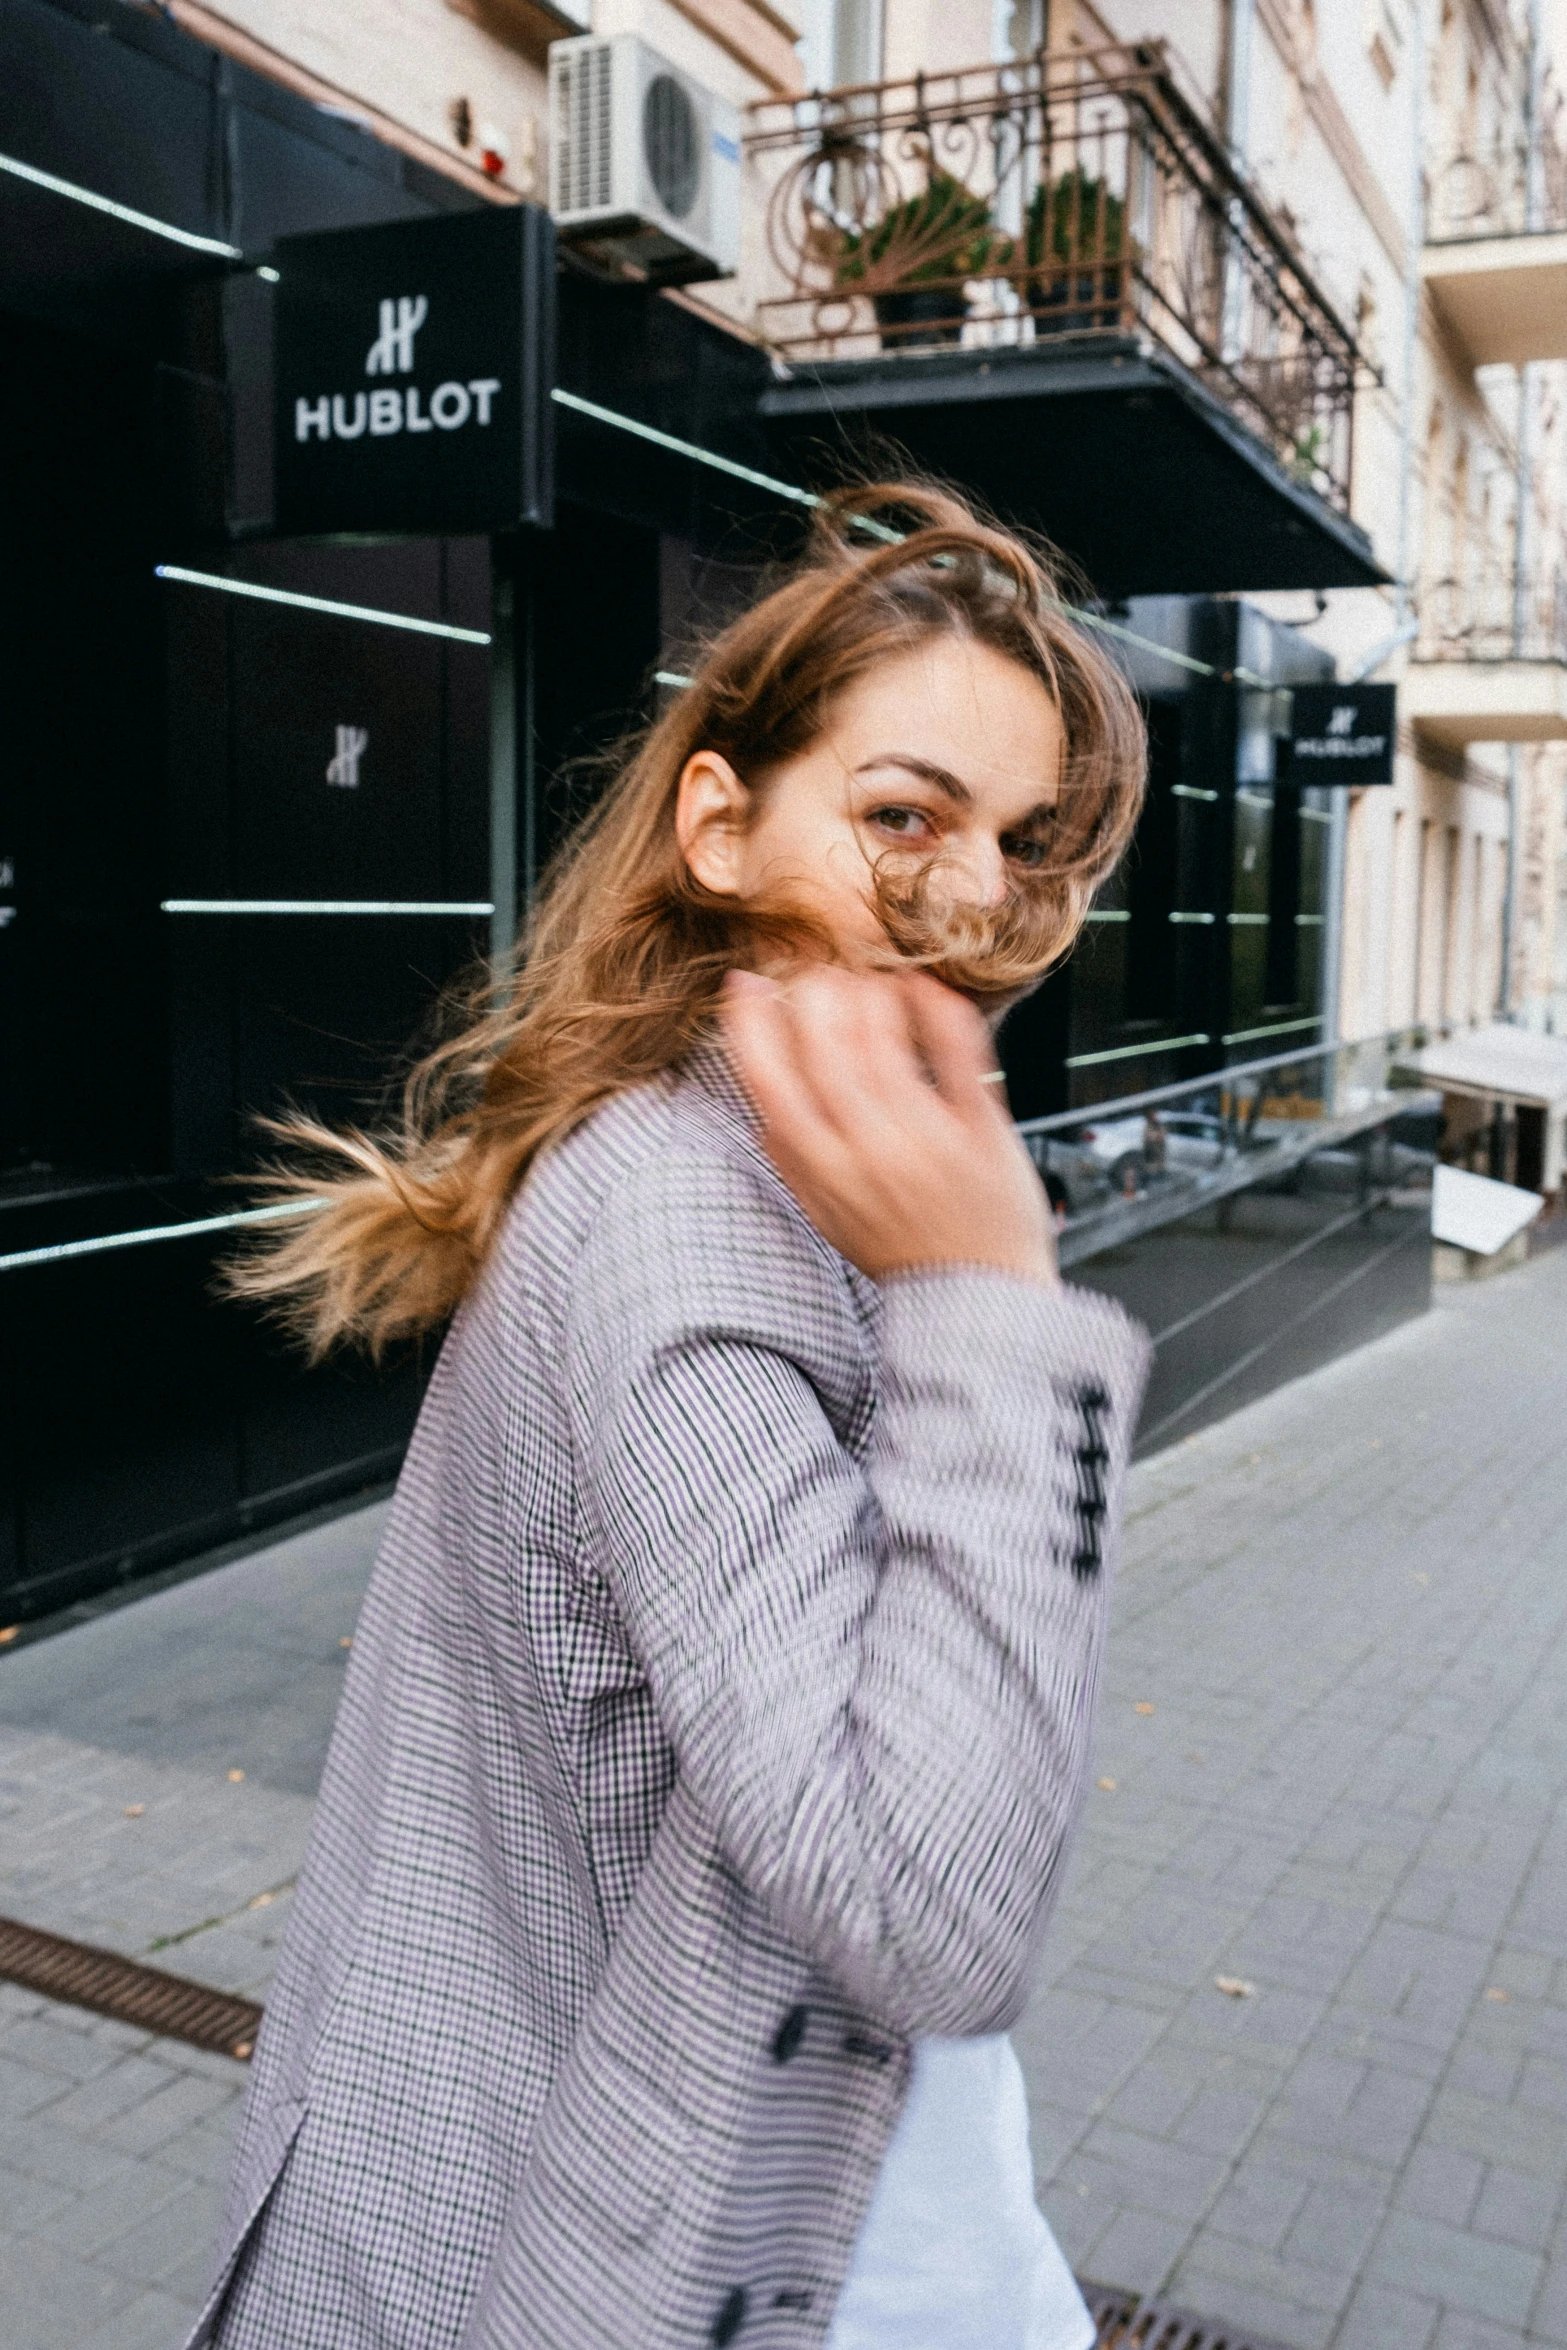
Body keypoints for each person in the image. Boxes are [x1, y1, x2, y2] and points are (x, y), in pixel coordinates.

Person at [187, 483, 1152, 2350]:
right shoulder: (687, 1210)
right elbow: (925, 1907)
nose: (974, 902)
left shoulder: (789, 1177)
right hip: (642, 2235)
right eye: (902, 813)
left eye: (1027, 847)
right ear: (718, 825)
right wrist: (998, 1310)